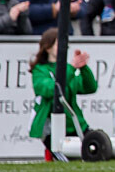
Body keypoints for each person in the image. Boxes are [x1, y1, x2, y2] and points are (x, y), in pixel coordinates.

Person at [29, 28, 97, 161]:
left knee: (96, 151)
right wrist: (72, 68)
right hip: (53, 128)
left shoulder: (67, 68)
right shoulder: (40, 70)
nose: (63, 47)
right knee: (67, 161)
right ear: (47, 47)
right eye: (58, 44)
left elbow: (90, 88)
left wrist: (83, 68)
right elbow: (51, 89)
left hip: (75, 124)